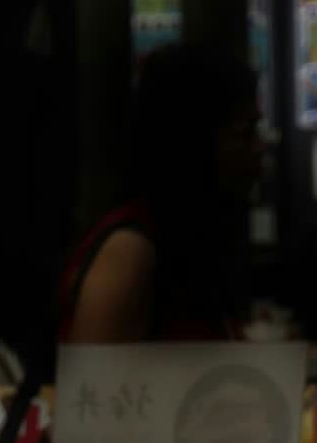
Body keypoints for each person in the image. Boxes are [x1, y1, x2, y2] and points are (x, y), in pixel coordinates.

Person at [59, 44, 263, 342]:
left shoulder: (186, 239)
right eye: (245, 134)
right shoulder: (129, 251)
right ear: (192, 142)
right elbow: (94, 385)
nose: (259, 149)